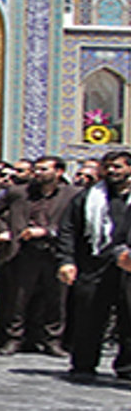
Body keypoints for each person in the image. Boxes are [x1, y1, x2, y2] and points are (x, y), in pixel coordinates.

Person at [56, 150, 131, 381]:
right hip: (94, 264)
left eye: (118, 166)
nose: (112, 171)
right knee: (89, 317)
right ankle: (83, 365)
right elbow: (68, 230)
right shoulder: (88, 197)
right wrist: (67, 260)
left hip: (128, 267)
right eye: (108, 166)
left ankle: (127, 366)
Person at [0, 155, 76, 356]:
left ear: (59, 172)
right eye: (36, 169)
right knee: (18, 298)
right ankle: (14, 338)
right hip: (24, 252)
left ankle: (52, 339)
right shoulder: (19, 192)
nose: (38, 173)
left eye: (44, 169)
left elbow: (74, 222)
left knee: (55, 298)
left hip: (55, 252)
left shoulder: (72, 195)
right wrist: (3, 230)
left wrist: (48, 231)